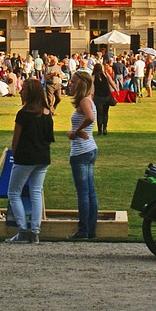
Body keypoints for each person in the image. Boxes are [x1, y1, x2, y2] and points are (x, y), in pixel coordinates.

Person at [6, 79, 53, 244]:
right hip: (42, 157)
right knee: (36, 192)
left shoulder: (24, 114)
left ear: (30, 93)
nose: (20, 92)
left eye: (24, 89)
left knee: (13, 192)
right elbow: (49, 138)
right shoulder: (47, 113)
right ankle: (35, 231)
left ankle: (23, 229)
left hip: (25, 157)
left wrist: (15, 155)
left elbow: (15, 139)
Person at [65, 70, 98, 241]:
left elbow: (90, 118)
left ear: (81, 84)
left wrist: (75, 132)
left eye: (73, 82)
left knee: (83, 192)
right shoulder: (89, 100)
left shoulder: (85, 100)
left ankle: (83, 229)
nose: (70, 84)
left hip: (80, 151)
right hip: (90, 148)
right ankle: (91, 228)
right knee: (90, 191)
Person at [92, 62, 115, 135]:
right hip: (106, 95)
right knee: (105, 113)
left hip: (98, 97)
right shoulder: (105, 74)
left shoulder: (93, 76)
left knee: (99, 113)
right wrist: (116, 90)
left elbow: (92, 87)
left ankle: (99, 130)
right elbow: (111, 82)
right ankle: (105, 128)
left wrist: (91, 95)